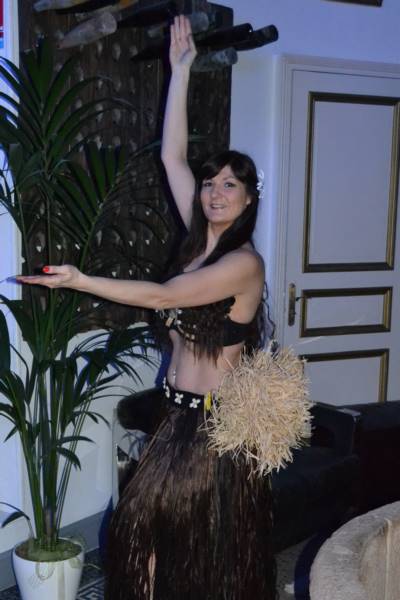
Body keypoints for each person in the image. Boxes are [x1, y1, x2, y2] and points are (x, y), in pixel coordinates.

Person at [17, 15, 276, 599]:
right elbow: (172, 158)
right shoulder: (197, 241)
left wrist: (82, 280)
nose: (214, 192)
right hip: (173, 415)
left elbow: (163, 297)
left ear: (248, 199)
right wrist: (180, 72)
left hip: (214, 430)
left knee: (187, 545)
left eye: (230, 185)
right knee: (142, 534)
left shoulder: (244, 265)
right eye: (210, 183)